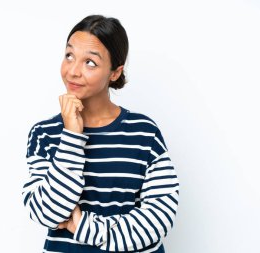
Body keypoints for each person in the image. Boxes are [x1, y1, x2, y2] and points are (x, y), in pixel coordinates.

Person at [22, 14, 179, 253]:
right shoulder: (45, 134)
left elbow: (159, 217)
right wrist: (72, 136)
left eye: (90, 63)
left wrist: (88, 227)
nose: (73, 71)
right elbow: (48, 212)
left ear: (115, 73)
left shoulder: (144, 132)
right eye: (69, 55)